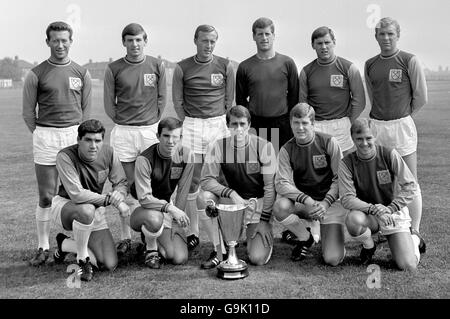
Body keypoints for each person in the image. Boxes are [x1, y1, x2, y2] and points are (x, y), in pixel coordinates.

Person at [22, 21, 92, 266]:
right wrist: (43, 133)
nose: (60, 45)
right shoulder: (36, 73)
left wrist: (74, 133)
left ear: (71, 41)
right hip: (46, 135)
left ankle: (75, 242)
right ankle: (43, 245)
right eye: (55, 40)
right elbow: (28, 113)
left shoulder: (81, 72)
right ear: (48, 42)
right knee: (46, 195)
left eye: (65, 40)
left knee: (76, 193)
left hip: (73, 135)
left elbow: (85, 110)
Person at [104, 23, 167, 257]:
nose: (134, 44)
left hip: (149, 130)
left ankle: (150, 236)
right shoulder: (114, 68)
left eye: (139, 40)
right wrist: (126, 121)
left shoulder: (157, 65)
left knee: (149, 183)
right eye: (130, 40)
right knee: (126, 184)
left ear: (145, 41)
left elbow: (162, 100)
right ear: (124, 42)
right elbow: (110, 105)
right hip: (123, 131)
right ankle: (126, 237)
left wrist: (149, 122)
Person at [365, 17, 427, 251]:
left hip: (401, 126)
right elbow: (373, 95)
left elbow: (421, 96)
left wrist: (401, 115)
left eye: (391, 34)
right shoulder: (370, 64)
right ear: (376, 36)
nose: (386, 38)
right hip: (377, 127)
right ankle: (386, 226)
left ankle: (415, 230)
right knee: (384, 180)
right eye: (382, 34)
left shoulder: (409, 60)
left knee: (410, 180)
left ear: (398, 35)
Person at [172, 24, 235, 256]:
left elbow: (229, 100)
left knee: (222, 176)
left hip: (218, 123)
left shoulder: (225, 65)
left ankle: (227, 229)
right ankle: (194, 233)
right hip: (193, 124)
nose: (208, 45)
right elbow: (177, 102)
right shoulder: (182, 67)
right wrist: (191, 121)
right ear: (195, 40)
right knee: (193, 178)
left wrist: (216, 119)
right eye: (204, 41)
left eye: (212, 41)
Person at [198, 105, 276, 268]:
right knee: (204, 197)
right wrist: (231, 193)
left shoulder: (265, 146)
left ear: (249, 125)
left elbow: (270, 188)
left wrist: (264, 220)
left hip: (258, 205)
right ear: (228, 126)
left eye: (242, 124)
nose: (238, 129)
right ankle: (220, 250)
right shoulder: (218, 146)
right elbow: (206, 180)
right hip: (233, 203)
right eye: (234, 124)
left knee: (257, 258)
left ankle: (256, 234)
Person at [51, 119, 129, 281]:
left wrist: (119, 194)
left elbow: (121, 182)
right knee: (86, 209)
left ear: (102, 141)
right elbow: (76, 194)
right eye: (88, 140)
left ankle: (64, 244)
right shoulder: (65, 156)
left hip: (94, 209)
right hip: (66, 206)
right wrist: (111, 200)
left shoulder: (109, 153)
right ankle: (82, 259)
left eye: (97, 140)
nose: (93, 145)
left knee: (109, 264)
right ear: (79, 140)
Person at [338, 119, 421, 270]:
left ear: (375, 137)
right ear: (352, 139)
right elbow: (346, 199)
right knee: (353, 219)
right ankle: (369, 246)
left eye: (368, 138)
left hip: (392, 212)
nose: (364, 143)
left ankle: (414, 238)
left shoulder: (389, 154)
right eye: (359, 139)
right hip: (369, 214)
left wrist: (390, 209)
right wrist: (375, 209)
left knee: (408, 265)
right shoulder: (347, 162)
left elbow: (410, 186)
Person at [273, 103, 347, 266]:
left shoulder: (328, 142)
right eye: (296, 123)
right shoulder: (287, 149)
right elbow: (281, 183)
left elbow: (340, 179)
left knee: (332, 259)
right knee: (280, 206)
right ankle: (305, 237)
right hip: (308, 204)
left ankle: (326, 230)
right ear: (290, 123)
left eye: (305, 123)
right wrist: (307, 200)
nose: (300, 128)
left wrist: (325, 203)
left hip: (330, 204)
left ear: (313, 124)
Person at [130, 117, 194, 269]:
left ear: (181, 138)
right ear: (158, 136)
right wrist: (171, 209)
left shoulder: (186, 155)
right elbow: (144, 198)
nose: (170, 141)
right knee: (154, 218)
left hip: (164, 206)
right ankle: (150, 248)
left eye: (175, 137)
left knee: (178, 257)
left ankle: (151, 238)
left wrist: (177, 221)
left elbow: (183, 190)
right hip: (141, 207)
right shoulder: (144, 159)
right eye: (166, 136)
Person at [299, 26, 365, 155]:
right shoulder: (306, 71)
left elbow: (360, 101)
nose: (323, 47)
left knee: (341, 169)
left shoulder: (349, 68)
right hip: (316, 126)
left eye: (327, 42)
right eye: (319, 43)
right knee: (319, 168)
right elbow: (303, 104)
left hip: (341, 125)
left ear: (334, 42)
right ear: (313, 45)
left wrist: (347, 121)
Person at [236, 17, 299, 151]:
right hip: (256, 124)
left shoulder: (287, 63)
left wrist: (290, 121)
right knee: (257, 165)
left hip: (281, 124)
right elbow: (241, 100)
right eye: (260, 34)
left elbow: (294, 95)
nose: (264, 38)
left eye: (267, 34)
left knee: (279, 164)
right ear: (254, 36)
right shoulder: (244, 66)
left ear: (273, 36)